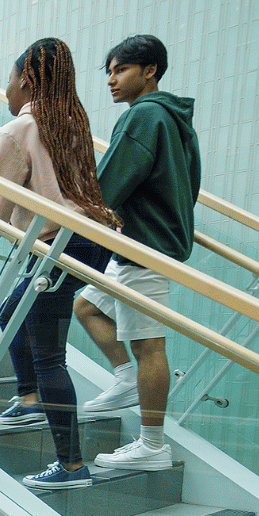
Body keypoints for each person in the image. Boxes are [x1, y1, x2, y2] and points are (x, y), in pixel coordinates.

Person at [0, 38, 119, 490]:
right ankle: (28, 399)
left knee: (49, 357)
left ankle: (70, 465)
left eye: (8, 80)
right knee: (12, 311)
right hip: (90, 241)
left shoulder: (17, 132)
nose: (4, 90)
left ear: (25, 81)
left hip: (60, 245)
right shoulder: (69, 123)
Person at [73, 34, 201, 473]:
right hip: (147, 241)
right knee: (87, 306)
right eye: (108, 71)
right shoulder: (175, 119)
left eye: (121, 70)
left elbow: (107, 185)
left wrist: (87, 210)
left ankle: (153, 444)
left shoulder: (144, 116)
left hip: (146, 245)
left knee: (149, 346)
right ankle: (126, 381)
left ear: (150, 71)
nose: (111, 80)